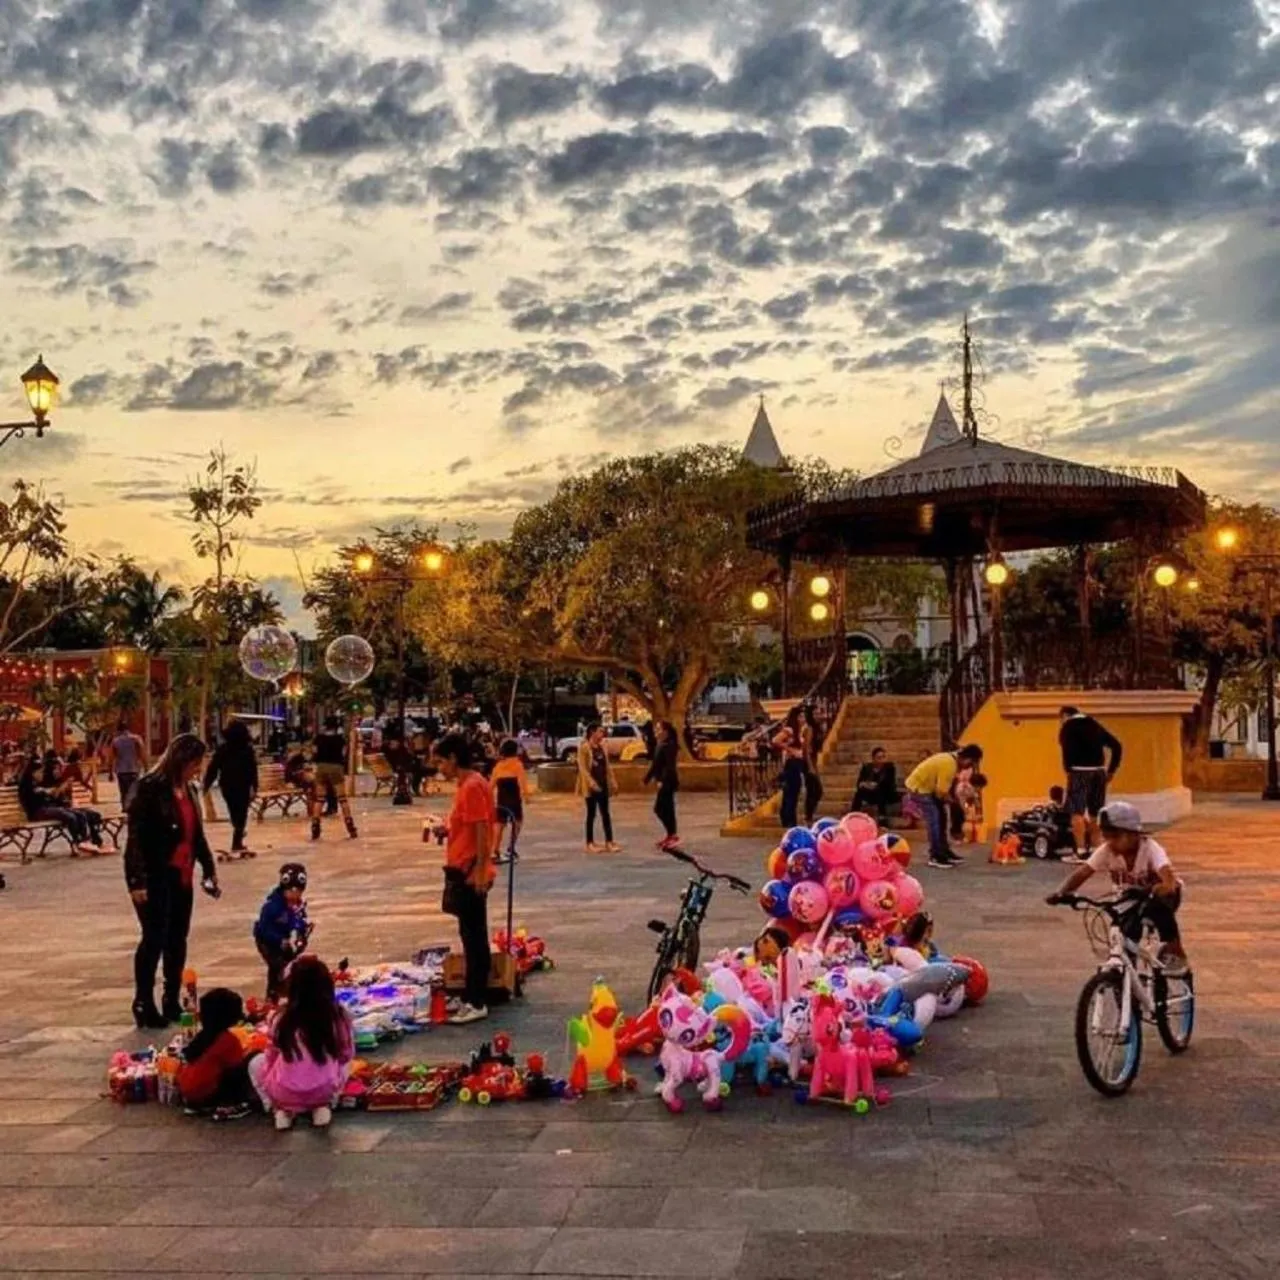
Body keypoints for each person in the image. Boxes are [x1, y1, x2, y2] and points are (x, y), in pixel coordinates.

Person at [124, 734, 219, 1029]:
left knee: (177, 938)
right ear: (182, 760)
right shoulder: (150, 789)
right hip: (156, 873)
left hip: (182, 873)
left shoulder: (189, 790)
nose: (198, 769)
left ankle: (171, 997)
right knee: (154, 937)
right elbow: (136, 838)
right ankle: (143, 1000)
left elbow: (196, 834)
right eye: (195, 763)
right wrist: (136, 880)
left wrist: (208, 868)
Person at [1046, 801, 1187, 974]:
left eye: (1116, 837)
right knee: (1124, 933)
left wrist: (1166, 885)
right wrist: (1062, 892)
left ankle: (1175, 950)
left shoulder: (1150, 848)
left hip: (1161, 895)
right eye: (1107, 837)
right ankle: (1128, 983)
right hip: (1130, 898)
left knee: (1159, 909)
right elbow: (1083, 872)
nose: (1110, 842)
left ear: (1133, 834)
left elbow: (1166, 872)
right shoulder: (1107, 851)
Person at [248, 955, 354, 1130]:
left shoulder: (281, 1017)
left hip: (283, 1091)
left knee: (255, 1063)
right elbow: (345, 1054)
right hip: (324, 1089)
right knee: (344, 1062)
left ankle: (279, 1109)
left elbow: (271, 1054)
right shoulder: (337, 1016)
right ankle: (323, 1106)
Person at [434, 732, 496, 1025]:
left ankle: (476, 999)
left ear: (453, 759)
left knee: (474, 938)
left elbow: (483, 831)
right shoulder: (469, 785)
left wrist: (481, 870)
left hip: (471, 872)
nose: (439, 768)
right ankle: (474, 993)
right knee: (470, 934)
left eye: (441, 761)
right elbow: (468, 826)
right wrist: (447, 831)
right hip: (466, 867)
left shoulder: (472, 786)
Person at [178, 988, 256, 1118]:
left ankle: (198, 1105)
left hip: (188, 1092)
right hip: (208, 1093)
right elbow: (235, 1065)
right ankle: (231, 1105)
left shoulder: (202, 1037)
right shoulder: (228, 1040)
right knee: (244, 1066)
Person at [904, 744, 984, 869]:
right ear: (967, 758)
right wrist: (955, 804)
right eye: (971, 763)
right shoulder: (949, 764)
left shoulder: (951, 760)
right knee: (935, 820)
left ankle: (944, 851)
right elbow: (941, 791)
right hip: (919, 789)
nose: (969, 767)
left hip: (929, 789)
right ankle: (935, 856)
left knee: (942, 817)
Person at [1058, 705, 1123, 853]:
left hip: (1079, 772)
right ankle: (1096, 850)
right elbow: (1117, 746)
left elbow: (1066, 752)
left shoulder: (1068, 727)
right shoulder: (1093, 724)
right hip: (1099, 772)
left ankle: (1080, 851)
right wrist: (1111, 770)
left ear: (1064, 716)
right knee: (1095, 812)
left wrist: (1069, 771)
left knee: (1077, 812)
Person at [17, 754, 102, 853]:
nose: (41, 774)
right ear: (32, 773)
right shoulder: (27, 783)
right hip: (37, 812)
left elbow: (50, 796)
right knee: (69, 816)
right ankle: (79, 841)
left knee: (81, 814)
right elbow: (37, 796)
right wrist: (47, 792)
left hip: (47, 808)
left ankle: (88, 841)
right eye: (39, 772)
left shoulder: (37, 782)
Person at [254, 863, 313, 1001]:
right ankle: (274, 994)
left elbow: (299, 921)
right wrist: (279, 940)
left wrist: (302, 932)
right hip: (267, 940)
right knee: (278, 966)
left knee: (290, 964)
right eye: (291, 891)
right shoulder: (273, 906)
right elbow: (263, 928)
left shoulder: (297, 905)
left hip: (285, 939)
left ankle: (285, 992)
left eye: (298, 892)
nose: (294, 895)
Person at [203, 719, 259, 858]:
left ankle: (237, 834)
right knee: (242, 811)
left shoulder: (223, 749)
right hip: (243, 784)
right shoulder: (247, 749)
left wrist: (207, 784)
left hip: (227, 784)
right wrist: (255, 786)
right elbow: (253, 769)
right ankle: (238, 835)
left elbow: (213, 767)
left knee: (233, 810)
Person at [309, 717, 357, 841]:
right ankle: (350, 824)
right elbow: (344, 753)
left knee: (319, 799)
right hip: (336, 767)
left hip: (321, 767)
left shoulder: (318, 738)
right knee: (342, 798)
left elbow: (314, 752)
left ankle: (315, 825)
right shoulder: (340, 739)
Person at [576, 723, 620, 853]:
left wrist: (613, 781)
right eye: (600, 732)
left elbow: (607, 766)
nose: (602, 734)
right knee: (591, 814)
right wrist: (591, 783)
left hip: (603, 784)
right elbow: (583, 768)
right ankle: (589, 842)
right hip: (591, 787)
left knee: (605, 813)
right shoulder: (584, 748)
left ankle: (609, 841)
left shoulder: (602, 747)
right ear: (592, 733)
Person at [490, 738, 532, 857]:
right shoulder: (517, 765)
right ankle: (511, 847)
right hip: (514, 800)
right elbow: (522, 782)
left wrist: (487, 798)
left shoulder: (498, 766)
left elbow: (491, 785)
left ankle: (495, 850)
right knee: (517, 822)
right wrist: (527, 796)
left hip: (501, 800)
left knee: (499, 824)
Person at [644, 719, 681, 851]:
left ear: (665, 732)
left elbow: (669, 767)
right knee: (667, 808)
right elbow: (655, 765)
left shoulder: (669, 745)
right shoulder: (660, 744)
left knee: (660, 808)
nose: (656, 732)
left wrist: (662, 781)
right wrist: (647, 778)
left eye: (658, 729)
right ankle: (670, 834)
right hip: (663, 780)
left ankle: (673, 834)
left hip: (668, 781)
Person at [772, 707, 807, 830]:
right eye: (801, 717)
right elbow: (775, 740)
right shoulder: (790, 730)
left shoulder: (799, 731)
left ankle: (790, 818)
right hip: (792, 762)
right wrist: (789, 749)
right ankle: (788, 819)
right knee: (791, 792)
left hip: (797, 762)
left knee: (793, 792)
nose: (803, 719)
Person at [108, 721, 147, 808]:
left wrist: (110, 773)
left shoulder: (115, 741)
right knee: (134, 792)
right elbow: (143, 754)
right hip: (134, 770)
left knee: (124, 792)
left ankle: (125, 811)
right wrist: (146, 768)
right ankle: (133, 810)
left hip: (121, 772)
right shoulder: (136, 739)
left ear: (118, 730)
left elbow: (111, 758)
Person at [853, 747, 898, 822]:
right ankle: (853, 815)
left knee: (881, 790)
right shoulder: (866, 768)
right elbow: (859, 783)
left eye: (883, 757)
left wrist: (876, 785)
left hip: (887, 794)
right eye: (879, 758)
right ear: (873, 759)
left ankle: (883, 819)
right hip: (871, 793)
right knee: (859, 793)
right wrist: (865, 784)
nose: (881, 760)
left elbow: (890, 782)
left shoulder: (889, 767)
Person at [800, 705, 825, 824]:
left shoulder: (817, 728)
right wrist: (810, 766)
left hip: (813, 761)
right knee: (814, 790)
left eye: (818, 713)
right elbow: (806, 749)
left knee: (816, 790)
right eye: (815, 713)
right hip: (808, 762)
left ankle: (809, 815)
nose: (818, 716)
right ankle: (808, 816)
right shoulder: (809, 729)